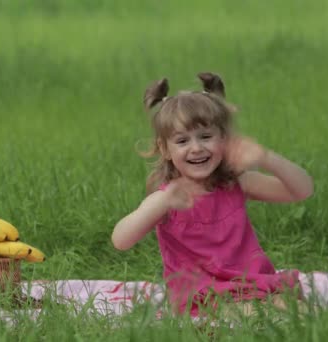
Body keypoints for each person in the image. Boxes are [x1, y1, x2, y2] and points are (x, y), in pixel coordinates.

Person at [111, 72, 314, 317]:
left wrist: (267, 158)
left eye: (206, 137)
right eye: (182, 141)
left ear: (224, 140)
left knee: (292, 304)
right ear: (165, 149)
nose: (196, 148)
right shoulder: (168, 198)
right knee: (271, 313)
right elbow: (120, 240)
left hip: (252, 283)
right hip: (203, 297)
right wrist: (162, 203)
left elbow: (301, 191)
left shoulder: (236, 184)